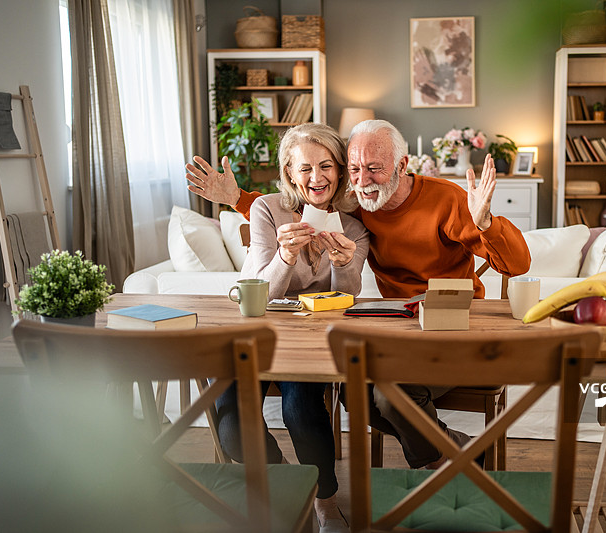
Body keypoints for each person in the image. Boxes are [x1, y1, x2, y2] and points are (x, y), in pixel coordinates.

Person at [186, 119, 530, 470]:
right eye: (354, 169)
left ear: (401, 166)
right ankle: (457, 449)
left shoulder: (446, 200)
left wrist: (485, 222)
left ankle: (441, 462)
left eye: (374, 169)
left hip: (454, 329)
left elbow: (518, 264)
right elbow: (300, 205)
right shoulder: (359, 204)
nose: (363, 180)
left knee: (388, 395)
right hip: (398, 329)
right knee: (353, 392)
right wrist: (237, 200)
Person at [187, 123, 368, 533]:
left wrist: (342, 265)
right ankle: (289, 481)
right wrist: (286, 255)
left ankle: (325, 502)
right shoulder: (267, 208)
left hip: (306, 341)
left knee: (301, 411)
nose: (316, 178)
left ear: (340, 171)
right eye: (304, 168)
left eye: (326, 166)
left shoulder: (354, 226)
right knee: (231, 429)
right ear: (288, 172)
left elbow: (348, 297)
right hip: (253, 335)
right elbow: (259, 294)